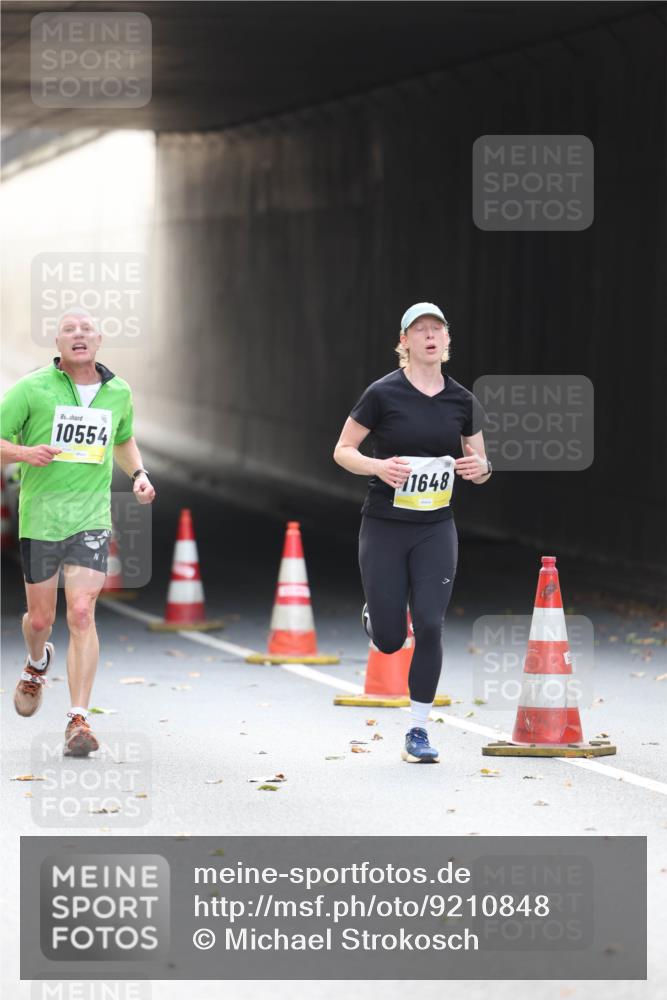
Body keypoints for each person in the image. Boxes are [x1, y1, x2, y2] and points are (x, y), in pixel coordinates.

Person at [333, 302, 491, 763]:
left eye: (436, 329)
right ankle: (377, 617)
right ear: (404, 342)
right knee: (390, 639)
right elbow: (342, 450)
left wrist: (480, 468)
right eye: (418, 330)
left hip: (435, 527)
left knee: (429, 623)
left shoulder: (463, 400)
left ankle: (418, 730)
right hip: (384, 525)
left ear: (446, 341)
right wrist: (378, 466)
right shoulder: (382, 393)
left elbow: (480, 465)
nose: (428, 336)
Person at [0, 309, 156, 756]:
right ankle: (35, 663)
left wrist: (139, 473)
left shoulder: (118, 391)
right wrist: (25, 453)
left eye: (86, 329)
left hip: (90, 518)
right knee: (42, 620)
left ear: (100, 340)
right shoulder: (32, 389)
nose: (78, 335)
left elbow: (123, 438)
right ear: (58, 343)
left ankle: (78, 720)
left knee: (83, 613)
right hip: (42, 518)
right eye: (69, 330)